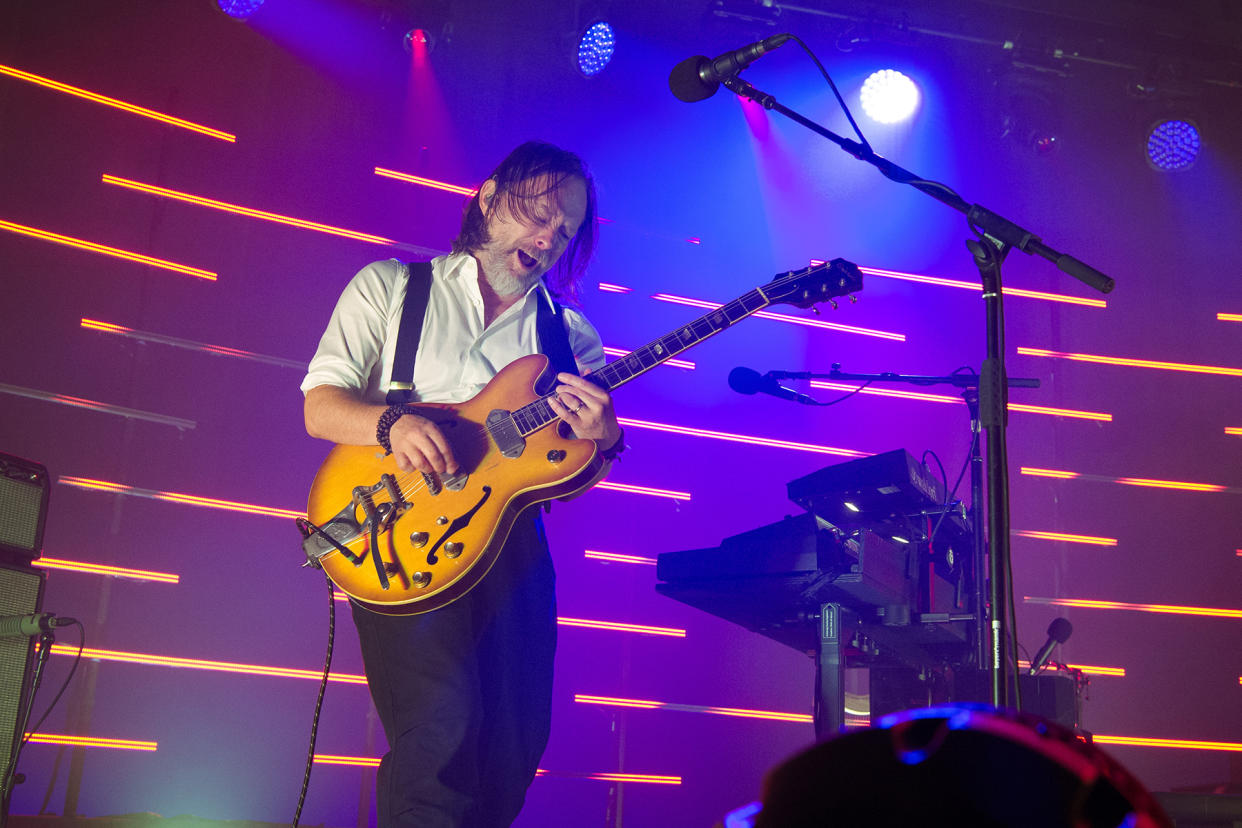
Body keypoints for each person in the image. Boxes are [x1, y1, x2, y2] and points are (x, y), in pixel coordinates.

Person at [300, 141, 624, 827]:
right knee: (440, 728)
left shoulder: (572, 339)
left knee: (514, 741)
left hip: (510, 548)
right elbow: (319, 406)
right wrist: (391, 426)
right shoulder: (390, 286)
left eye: (563, 230)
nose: (547, 236)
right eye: (538, 212)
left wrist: (603, 438)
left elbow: (569, 476)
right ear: (487, 195)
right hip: (398, 534)